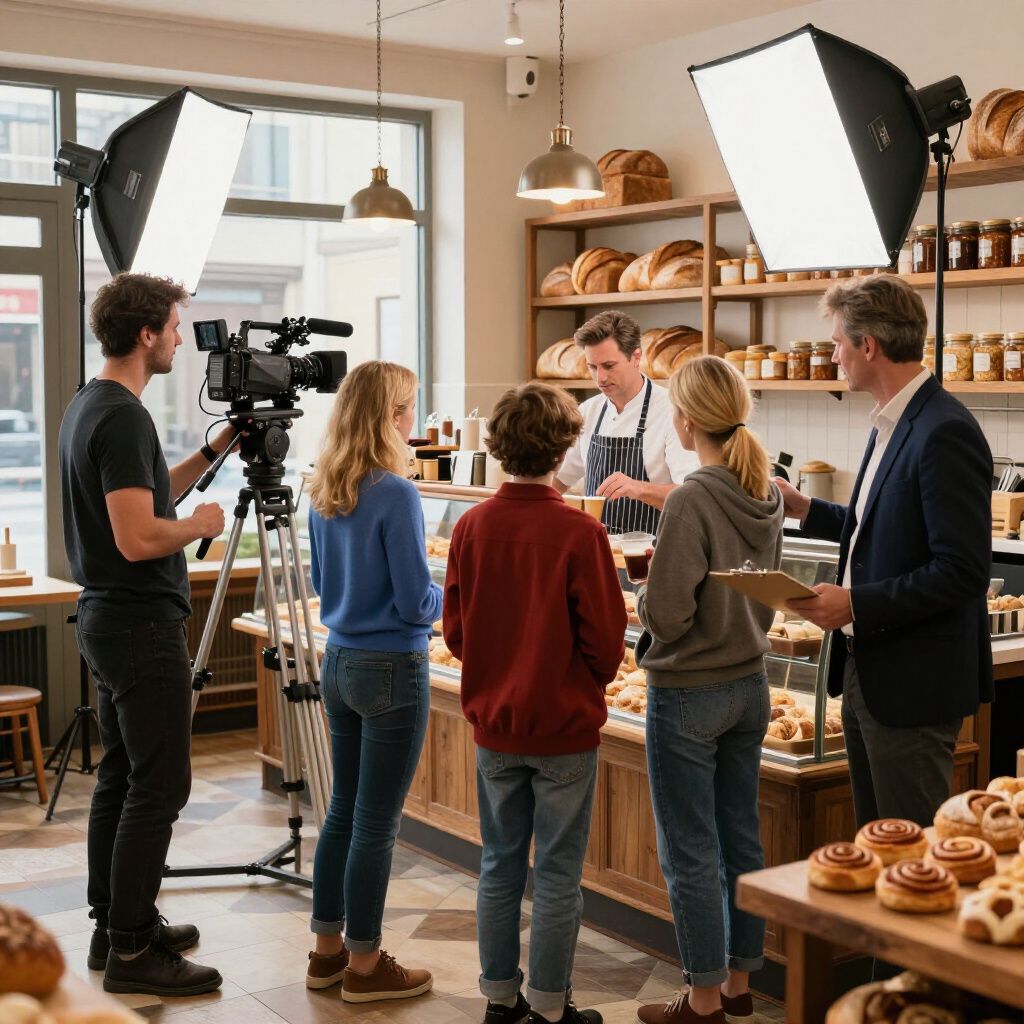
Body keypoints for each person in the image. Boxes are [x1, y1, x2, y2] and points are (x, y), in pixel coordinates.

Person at [58, 272, 229, 996]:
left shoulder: (90, 404)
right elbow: (139, 535)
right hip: (138, 623)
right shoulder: (123, 417)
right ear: (146, 333)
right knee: (161, 786)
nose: (182, 337)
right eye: (174, 325)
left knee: (124, 779)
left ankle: (115, 926)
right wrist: (201, 526)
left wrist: (216, 451)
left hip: (109, 618)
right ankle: (133, 950)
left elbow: (148, 493)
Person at [780, 274, 993, 829]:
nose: (832, 356)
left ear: (868, 346)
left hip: (913, 686)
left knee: (912, 856)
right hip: (866, 672)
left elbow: (962, 570)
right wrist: (806, 509)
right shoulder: (890, 422)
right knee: (878, 848)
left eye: (837, 344)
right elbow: (880, 526)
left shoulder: (944, 429)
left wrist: (856, 605)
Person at [443, 382, 626, 1024]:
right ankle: (550, 1008)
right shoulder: (580, 533)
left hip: (495, 728)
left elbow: (457, 633)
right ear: (563, 447)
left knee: (497, 865)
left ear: (497, 446)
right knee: (555, 875)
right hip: (565, 731)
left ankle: (500, 1000)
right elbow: (606, 641)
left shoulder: (471, 525)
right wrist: (581, 677)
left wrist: (499, 670)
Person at [636, 356, 783, 1024]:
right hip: (749, 686)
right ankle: (739, 987)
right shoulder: (768, 490)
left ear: (686, 419)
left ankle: (700, 1002)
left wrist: (641, 599)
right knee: (739, 839)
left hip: (689, 692)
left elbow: (668, 615)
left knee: (689, 851)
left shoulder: (693, 496)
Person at [304, 360, 438, 1003]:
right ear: (389, 416)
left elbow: (321, 587)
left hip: (338, 663)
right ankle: (365, 966)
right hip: (393, 668)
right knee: (377, 825)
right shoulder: (397, 492)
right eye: (409, 407)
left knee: (342, 814)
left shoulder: (325, 484)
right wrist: (453, 597)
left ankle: (327, 954)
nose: (414, 417)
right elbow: (416, 603)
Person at [555, 310, 697, 534]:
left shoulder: (672, 412)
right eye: (593, 367)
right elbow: (558, 481)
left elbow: (692, 497)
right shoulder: (588, 412)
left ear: (636, 357)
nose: (600, 378)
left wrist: (639, 489)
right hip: (597, 554)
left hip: (652, 554)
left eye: (609, 366)